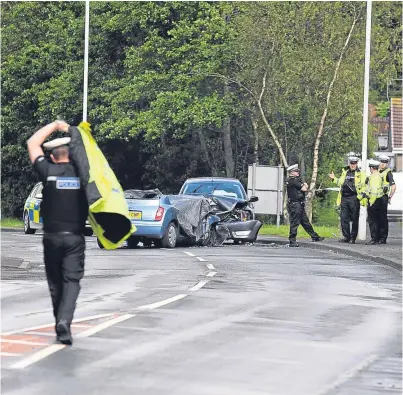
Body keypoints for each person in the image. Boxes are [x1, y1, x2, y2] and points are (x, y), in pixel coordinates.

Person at [27, 120, 88, 345]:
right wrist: (73, 132)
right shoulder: (82, 174)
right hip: (74, 238)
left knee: (55, 283)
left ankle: (59, 325)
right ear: (70, 156)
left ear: (52, 156)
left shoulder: (48, 171)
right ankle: (64, 321)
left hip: (51, 238)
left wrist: (55, 125)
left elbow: (32, 142)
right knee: (71, 281)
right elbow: (92, 155)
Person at [329, 154, 365, 244]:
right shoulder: (345, 172)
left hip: (354, 198)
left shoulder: (361, 174)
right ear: (349, 163)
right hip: (344, 198)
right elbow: (340, 182)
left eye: (354, 163)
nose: (353, 165)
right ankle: (346, 237)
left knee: (354, 218)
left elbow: (364, 187)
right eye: (351, 163)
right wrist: (334, 179)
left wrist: (359, 197)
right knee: (344, 218)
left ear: (357, 164)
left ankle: (353, 238)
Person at [286, 164, 324, 247]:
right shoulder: (293, 180)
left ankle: (314, 236)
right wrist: (305, 185)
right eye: (296, 171)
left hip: (298, 204)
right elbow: (304, 188)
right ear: (292, 172)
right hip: (295, 205)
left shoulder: (292, 180)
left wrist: (304, 185)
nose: (298, 172)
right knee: (294, 223)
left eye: (298, 171)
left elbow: (303, 187)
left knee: (305, 222)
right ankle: (292, 241)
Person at [359, 159, 384, 245]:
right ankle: (377, 238)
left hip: (374, 202)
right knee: (377, 220)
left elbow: (373, 191)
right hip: (379, 201)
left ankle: (374, 239)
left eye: (370, 168)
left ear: (372, 168)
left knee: (372, 221)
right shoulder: (380, 176)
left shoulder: (373, 177)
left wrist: (371, 202)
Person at [377, 154, 396, 244]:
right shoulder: (375, 171)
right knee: (375, 218)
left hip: (383, 198)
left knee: (382, 218)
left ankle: (383, 238)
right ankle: (376, 237)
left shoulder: (388, 173)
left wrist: (389, 197)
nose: (383, 164)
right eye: (382, 162)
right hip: (375, 198)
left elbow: (393, 187)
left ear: (387, 163)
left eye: (384, 162)